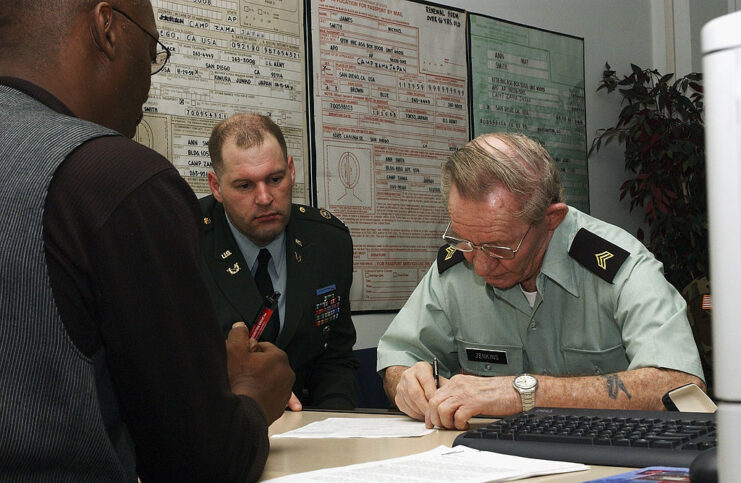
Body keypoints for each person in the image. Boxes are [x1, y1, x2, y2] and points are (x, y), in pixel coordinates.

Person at [0, 1, 294, 480]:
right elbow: (200, 463)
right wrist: (252, 398)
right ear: (107, 28)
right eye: (153, 49)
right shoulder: (118, 179)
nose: (150, 76)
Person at [377, 132, 705, 430]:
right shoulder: (459, 264)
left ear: (551, 219)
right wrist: (406, 382)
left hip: (610, 457)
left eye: (499, 247)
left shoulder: (618, 267)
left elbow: (680, 386)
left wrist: (524, 393)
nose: (480, 266)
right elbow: (399, 356)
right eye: (465, 242)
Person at [201, 113, 359, 410]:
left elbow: (335, 358)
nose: (264, 198)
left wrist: (333, 426)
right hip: (220, 427)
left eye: (275, 179)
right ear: (216, 187)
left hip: (310, 428)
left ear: (291, 171)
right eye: (244, 186)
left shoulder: (327, 241)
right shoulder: (186, 240)